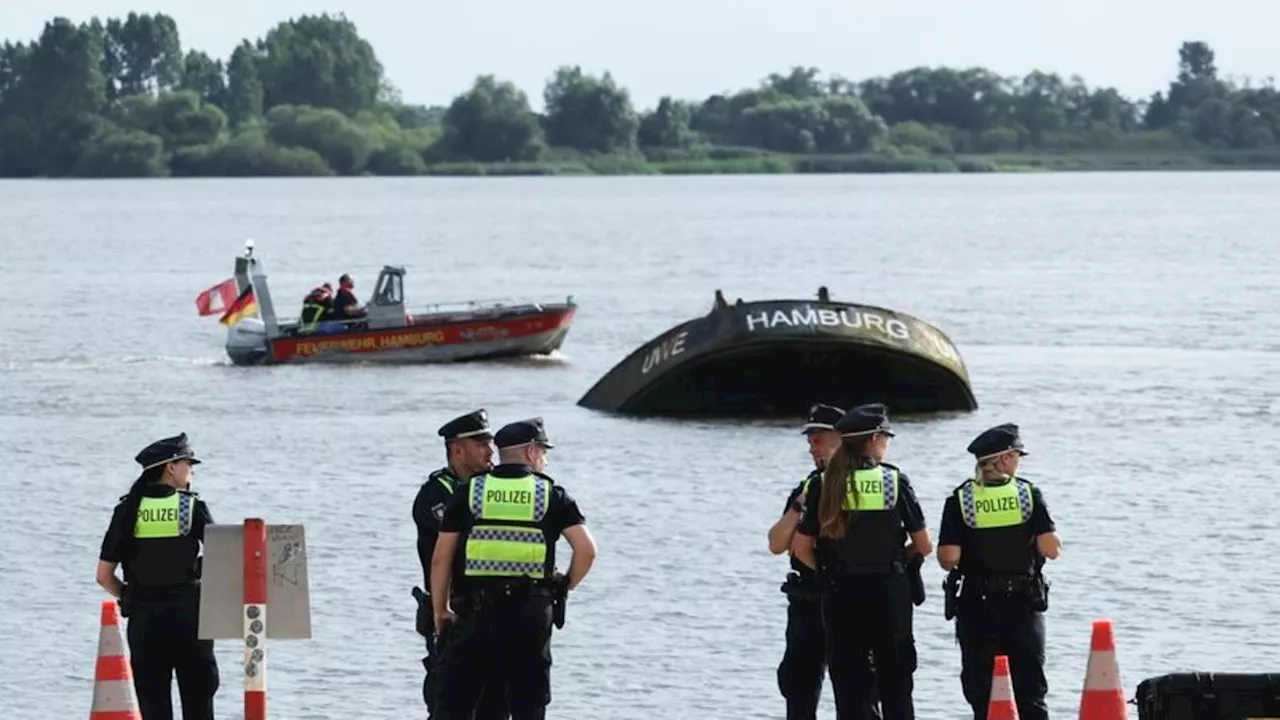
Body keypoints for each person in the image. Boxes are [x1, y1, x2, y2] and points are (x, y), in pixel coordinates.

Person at [430, 418, 597, 720]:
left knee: (456, 705)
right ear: (531, 452)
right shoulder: (551, 495)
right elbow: (587, 550)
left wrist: (440, 609)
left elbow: (441, 557)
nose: (544, 460)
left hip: (475, 615)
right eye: (544, 452)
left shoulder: (470, 492)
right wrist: (566, 583)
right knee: (527, 705)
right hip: (530, 615)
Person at [792, 403, 932, 720]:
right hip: (889, 593)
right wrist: (900, 557)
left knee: (850, 683)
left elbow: (801, 548)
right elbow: (923, 544)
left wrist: (828, 570)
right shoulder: (894, 482)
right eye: (886, 437)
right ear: (872, 440)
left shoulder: (822, 483)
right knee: (896, 683)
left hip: (841, 594)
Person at [937, 423, 1062, 720]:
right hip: (1023, 606)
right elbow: (1051, 549)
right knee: (1030, 691)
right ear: (1005, 459)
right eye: (1017, 456)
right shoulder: (1028, 495)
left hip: (978, 606)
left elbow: (948, 558)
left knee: (983, 692)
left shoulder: (961, 500)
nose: (1019, 462)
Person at [96, 433, 219, 720]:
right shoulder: (190, 507)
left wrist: (130, 596)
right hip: (190, 620)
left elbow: (103, 576)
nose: (193, 469)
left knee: (154, 708)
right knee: (199, 705)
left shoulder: (128, 509)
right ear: (171, 466)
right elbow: (224, 559)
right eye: (188, 462)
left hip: (145, 620)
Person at [412, 409, 502, 717]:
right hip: (450, 612)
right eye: (481, 445)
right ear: (457, 450)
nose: (490, 452)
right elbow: (451, 550)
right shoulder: (437, 493)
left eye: (490, 444)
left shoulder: (491, 490)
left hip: (488, 611)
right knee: (446, 701)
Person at [767, 402, 844, 720]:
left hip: (846, 599)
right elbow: (776, 543)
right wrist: (798, 508)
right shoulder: (808, 487)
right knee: (799, 684)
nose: (812, 449)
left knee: (856, 689)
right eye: (810, 442)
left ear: (840, 439)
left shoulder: (861, 485)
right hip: (808, 601)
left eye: (818, 440)